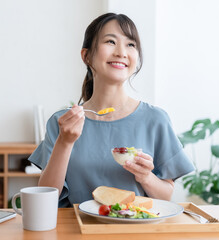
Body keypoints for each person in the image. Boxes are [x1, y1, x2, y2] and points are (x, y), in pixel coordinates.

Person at [28, 13, 195, 207]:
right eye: (110, 41)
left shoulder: (155, 120)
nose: (121, 52)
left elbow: (166, 197)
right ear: (86, 56)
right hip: (77, 232)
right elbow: (47, 198)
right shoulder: (62, 123)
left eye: (131, 44)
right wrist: (65, 142)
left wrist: (146, 177)